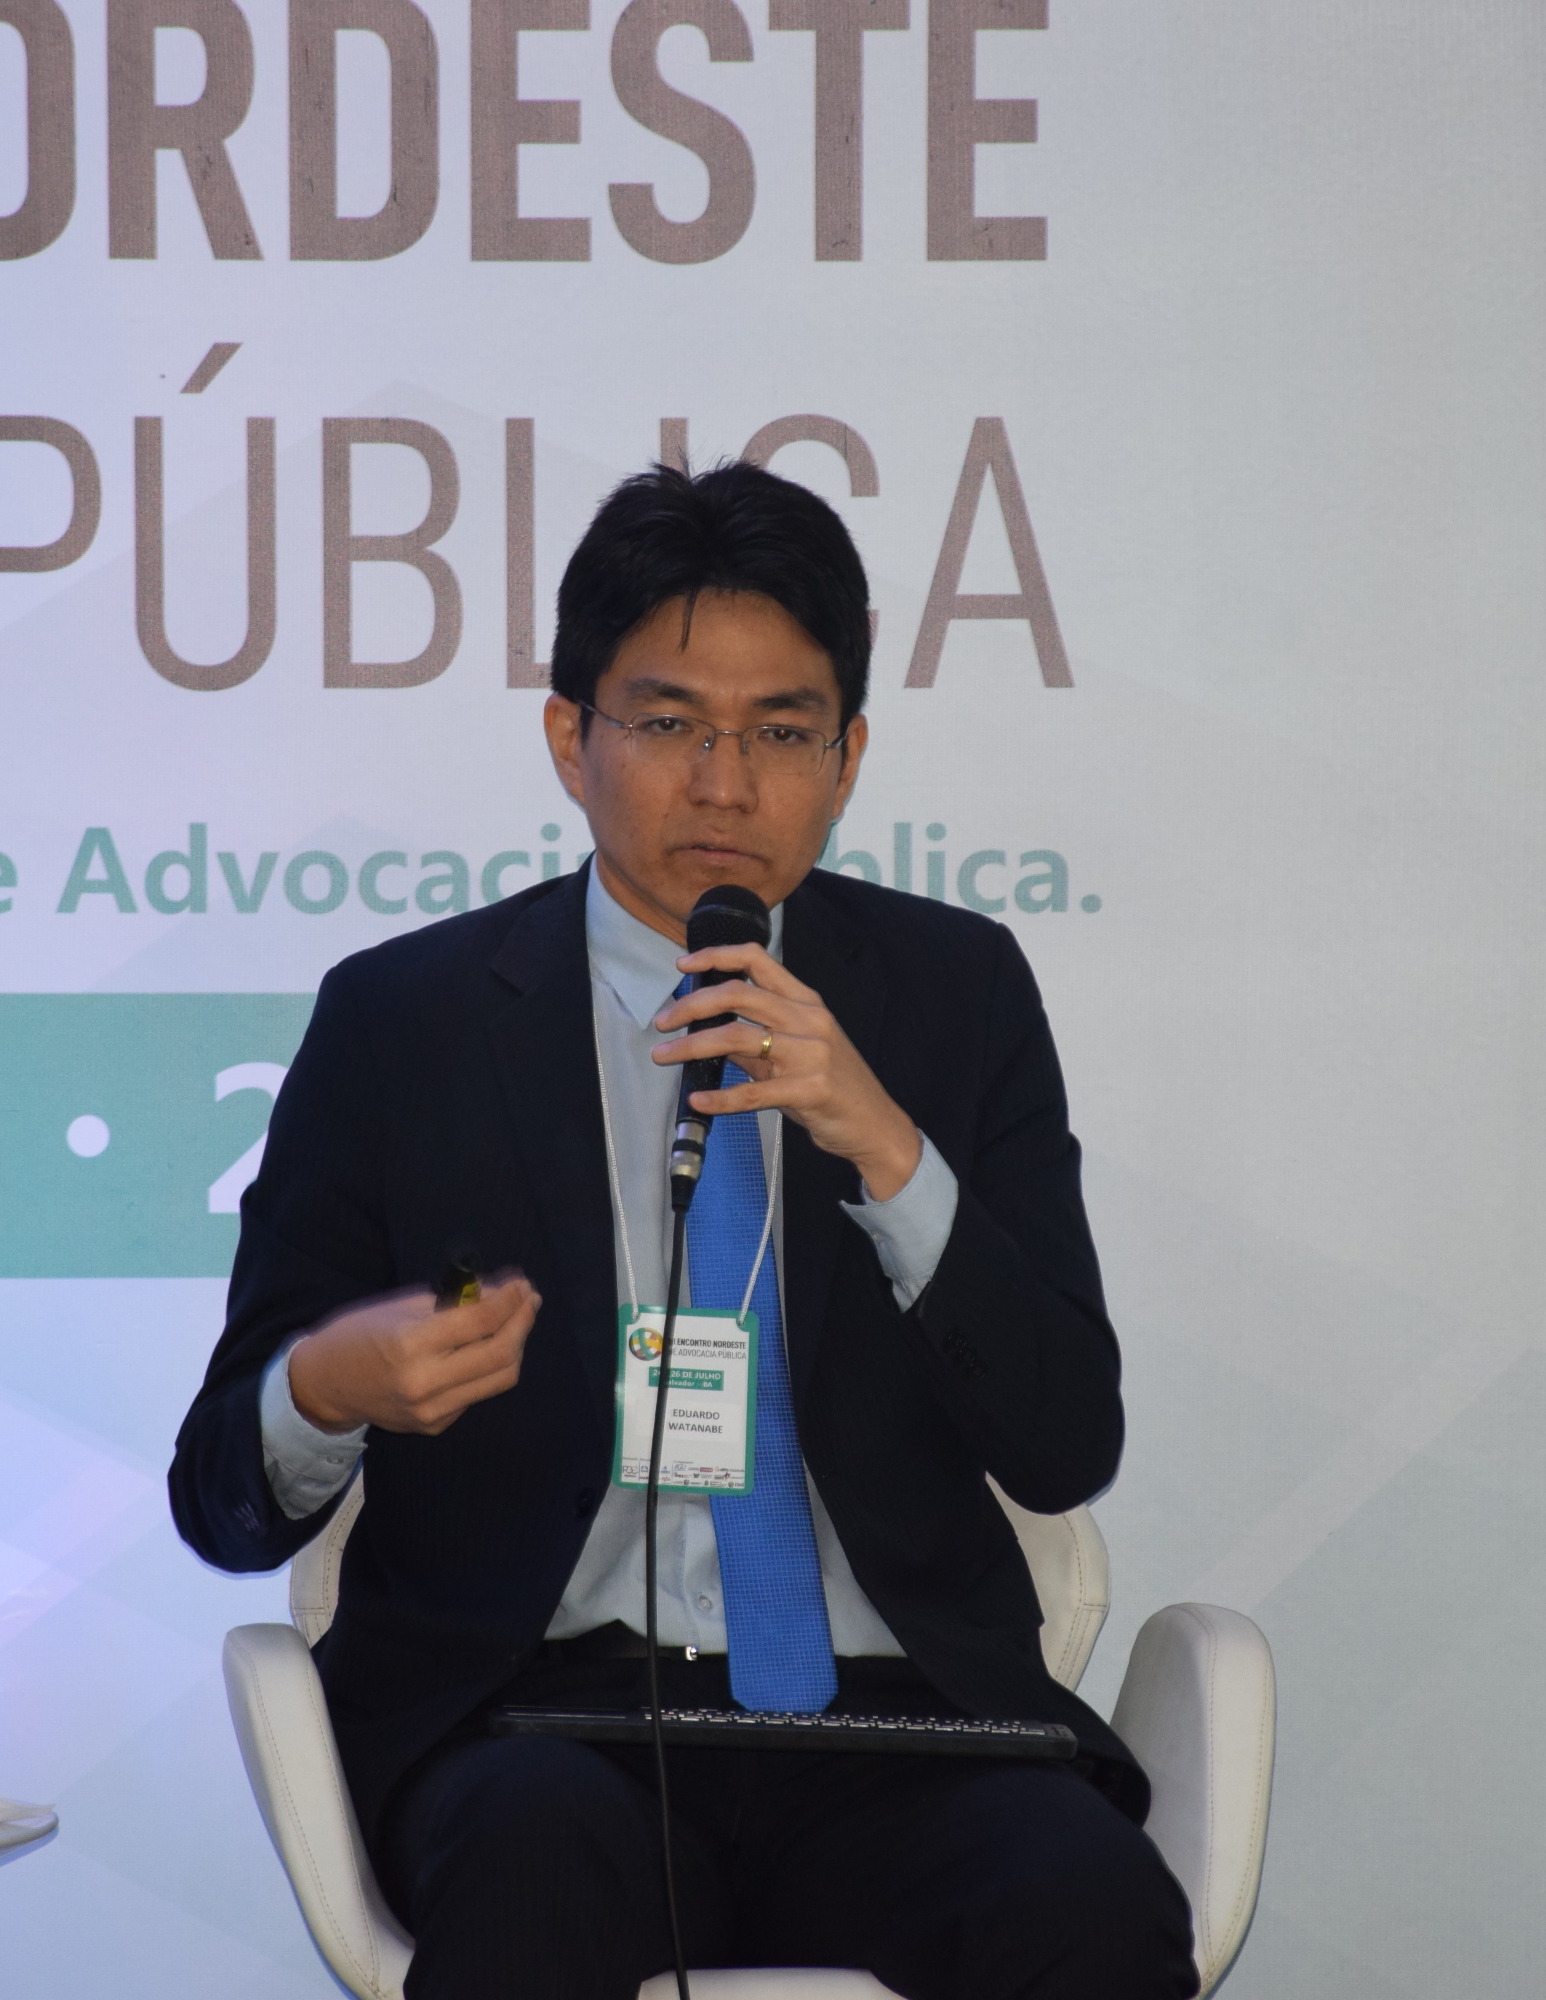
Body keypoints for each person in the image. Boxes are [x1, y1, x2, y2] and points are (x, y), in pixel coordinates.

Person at [169, 461, 1197, 2000]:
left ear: (847, 760)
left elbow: (1065, 1446)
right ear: (569, 740)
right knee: (532, 1875)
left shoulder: (955, 995)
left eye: (781, 732)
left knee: (1092, 1904)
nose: (725, 785)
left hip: (898, 1734)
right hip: (545, 1725)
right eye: (668, 725)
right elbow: (219, 1501)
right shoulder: (405, 1024)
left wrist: (888, 1149)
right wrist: (328, 1388)